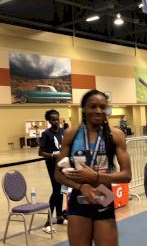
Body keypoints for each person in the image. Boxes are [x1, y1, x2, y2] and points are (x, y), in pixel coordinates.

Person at [54, 89, 132, 246]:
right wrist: (81, 186)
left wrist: (96, 177)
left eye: (102, 107)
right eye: (93, 106)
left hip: (104, 197)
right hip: (78, 199)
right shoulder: (71, 134)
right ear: (84, 109)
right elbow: (58, 174)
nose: (98, 111)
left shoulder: (115, 135)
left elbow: (127, 175)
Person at [38, 109, 66, 233]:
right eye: (53, 120)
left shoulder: (63, 131)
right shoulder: (46, 134)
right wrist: (52, 155)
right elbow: (40, 152)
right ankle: (47, 222)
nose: (56, 122)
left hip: (63, 164)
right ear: (49, 121)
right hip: (52, 164)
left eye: (57, 119)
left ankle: (60, 217)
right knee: (56, 190)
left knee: (61, 190)